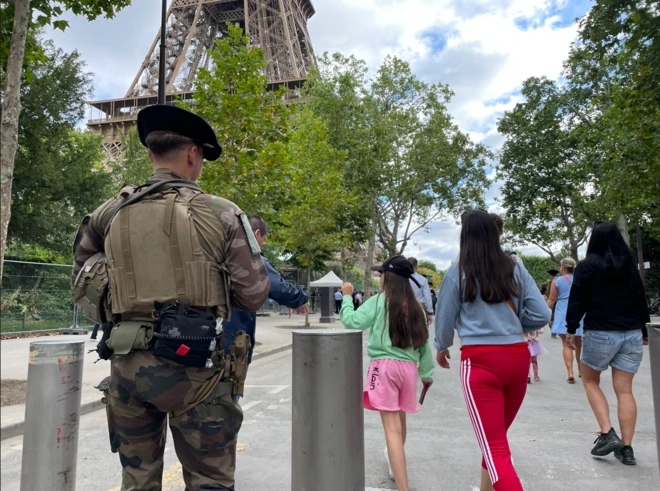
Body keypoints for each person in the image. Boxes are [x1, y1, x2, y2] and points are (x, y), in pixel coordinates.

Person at [71, 105, 270, 490]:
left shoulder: (109, 212)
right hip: (196, 368)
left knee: (138, 480)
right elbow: (254, 295)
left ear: (150, 153)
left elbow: (82, 275)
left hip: (128, 367)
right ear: (194, 153)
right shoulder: (222, 213)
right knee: (210, 481)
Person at [435, 210, 550, 491]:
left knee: (495, 447)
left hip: (480, 361)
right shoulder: (515, 267)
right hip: (518, 357)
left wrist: (442, 345)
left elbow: (445, 315)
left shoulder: (457, 270)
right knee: (496, 440)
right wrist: (512, 325)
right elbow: (541, 313)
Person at [340, 255, 434, 491]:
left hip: (383, 368)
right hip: (409, 370)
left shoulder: (379, 301)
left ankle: (403, 488)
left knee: (391, 430)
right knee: (400, 422)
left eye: (381, 274)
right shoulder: (417, 308)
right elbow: (424, 345)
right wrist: (427, 374)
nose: (379, 277)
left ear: (388, 277)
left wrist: (348, 298)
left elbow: (351, 322)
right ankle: (396, 464)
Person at [566, 222, 650, 465]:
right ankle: (627, 448)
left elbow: (578, 298)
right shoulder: (628, 266)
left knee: (591, 380)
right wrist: (643, 329)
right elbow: (639, 297)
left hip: (600, 331)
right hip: (631, 331)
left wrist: (571, 328)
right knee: (625, 390)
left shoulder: (587, 266)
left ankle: (606, 433)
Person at [223, 216, 308, 368]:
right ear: (256, 234)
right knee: (230, 385)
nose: (263, 244)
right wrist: (300, 299)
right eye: (264, 239)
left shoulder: (219, 252)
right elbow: (275, 285)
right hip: (233, 334)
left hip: (206, 332)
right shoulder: (249, 257)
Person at [547, 258, 583, 383]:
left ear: (563, 267)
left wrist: (544, 311)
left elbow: (552, 299)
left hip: (563, 310)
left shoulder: (557, 281)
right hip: (578, 309)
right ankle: (580, 370)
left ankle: (570, 372)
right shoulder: (580, 278)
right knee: (579, 344)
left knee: (566, 343)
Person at [407, 257, 434, 324]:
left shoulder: (402, 279)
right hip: (420, 308)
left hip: (406, 308)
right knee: (422, 330)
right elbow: (427, 297)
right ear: (416, 266)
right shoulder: (423, 280)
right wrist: (430, 312)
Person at [540, 269, 559, 338]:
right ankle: (556, 330)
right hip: (558, 300)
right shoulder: (559, 281)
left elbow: (541, 291)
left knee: (551, 316)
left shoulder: (546, 283)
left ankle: (553, 331)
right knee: (556, 315)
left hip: (550, 300)